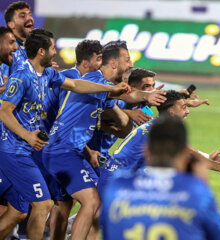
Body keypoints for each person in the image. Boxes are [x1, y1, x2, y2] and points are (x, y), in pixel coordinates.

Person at [0, 28, 130, 240]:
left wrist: (110, 90)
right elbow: (4, 112)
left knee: (21, 210)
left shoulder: (49, 74)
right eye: (52, 47)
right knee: (43, 205)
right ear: (42, 51)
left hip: (30, 151)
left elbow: (77, 84)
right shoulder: (21, 77)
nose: (56, 51)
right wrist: (27, 135)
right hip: (13, 151)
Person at [41, 39, 165, 239]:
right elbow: (125, 102)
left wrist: (147, 97)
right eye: (127, 59)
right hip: (63, 151)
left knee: (88, 202)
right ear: (114, 63)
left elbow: (128, 97)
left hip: (71, 152)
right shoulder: (95, 80)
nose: (130, 64)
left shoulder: (106, 87)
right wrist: (141, 97)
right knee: (91, 201)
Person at [100, 114, 220, 240]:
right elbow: (219, 234)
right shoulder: (194, 192)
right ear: (185, 154)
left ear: (146, 151)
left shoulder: (117, 188)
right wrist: (203, 184)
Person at [97, 90, 220, 197]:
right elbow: (186, 151)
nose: (187, 112)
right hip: (117, 178)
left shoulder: (158, 125)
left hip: (124, 177)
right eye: (183, 108)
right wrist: (218, 167)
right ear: (171, 111)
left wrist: (207, 157)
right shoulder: (160, 128)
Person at [0, 26, 30, 239]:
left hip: (5, 151)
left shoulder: (6, 70)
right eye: (11, 42)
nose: (15, 47)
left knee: (19, 209)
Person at [3, 1, 34, 77]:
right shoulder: (6, 50)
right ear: (11, 24)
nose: (29, 18)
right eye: (23, 16)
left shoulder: (34, 48)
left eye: (30, 15)